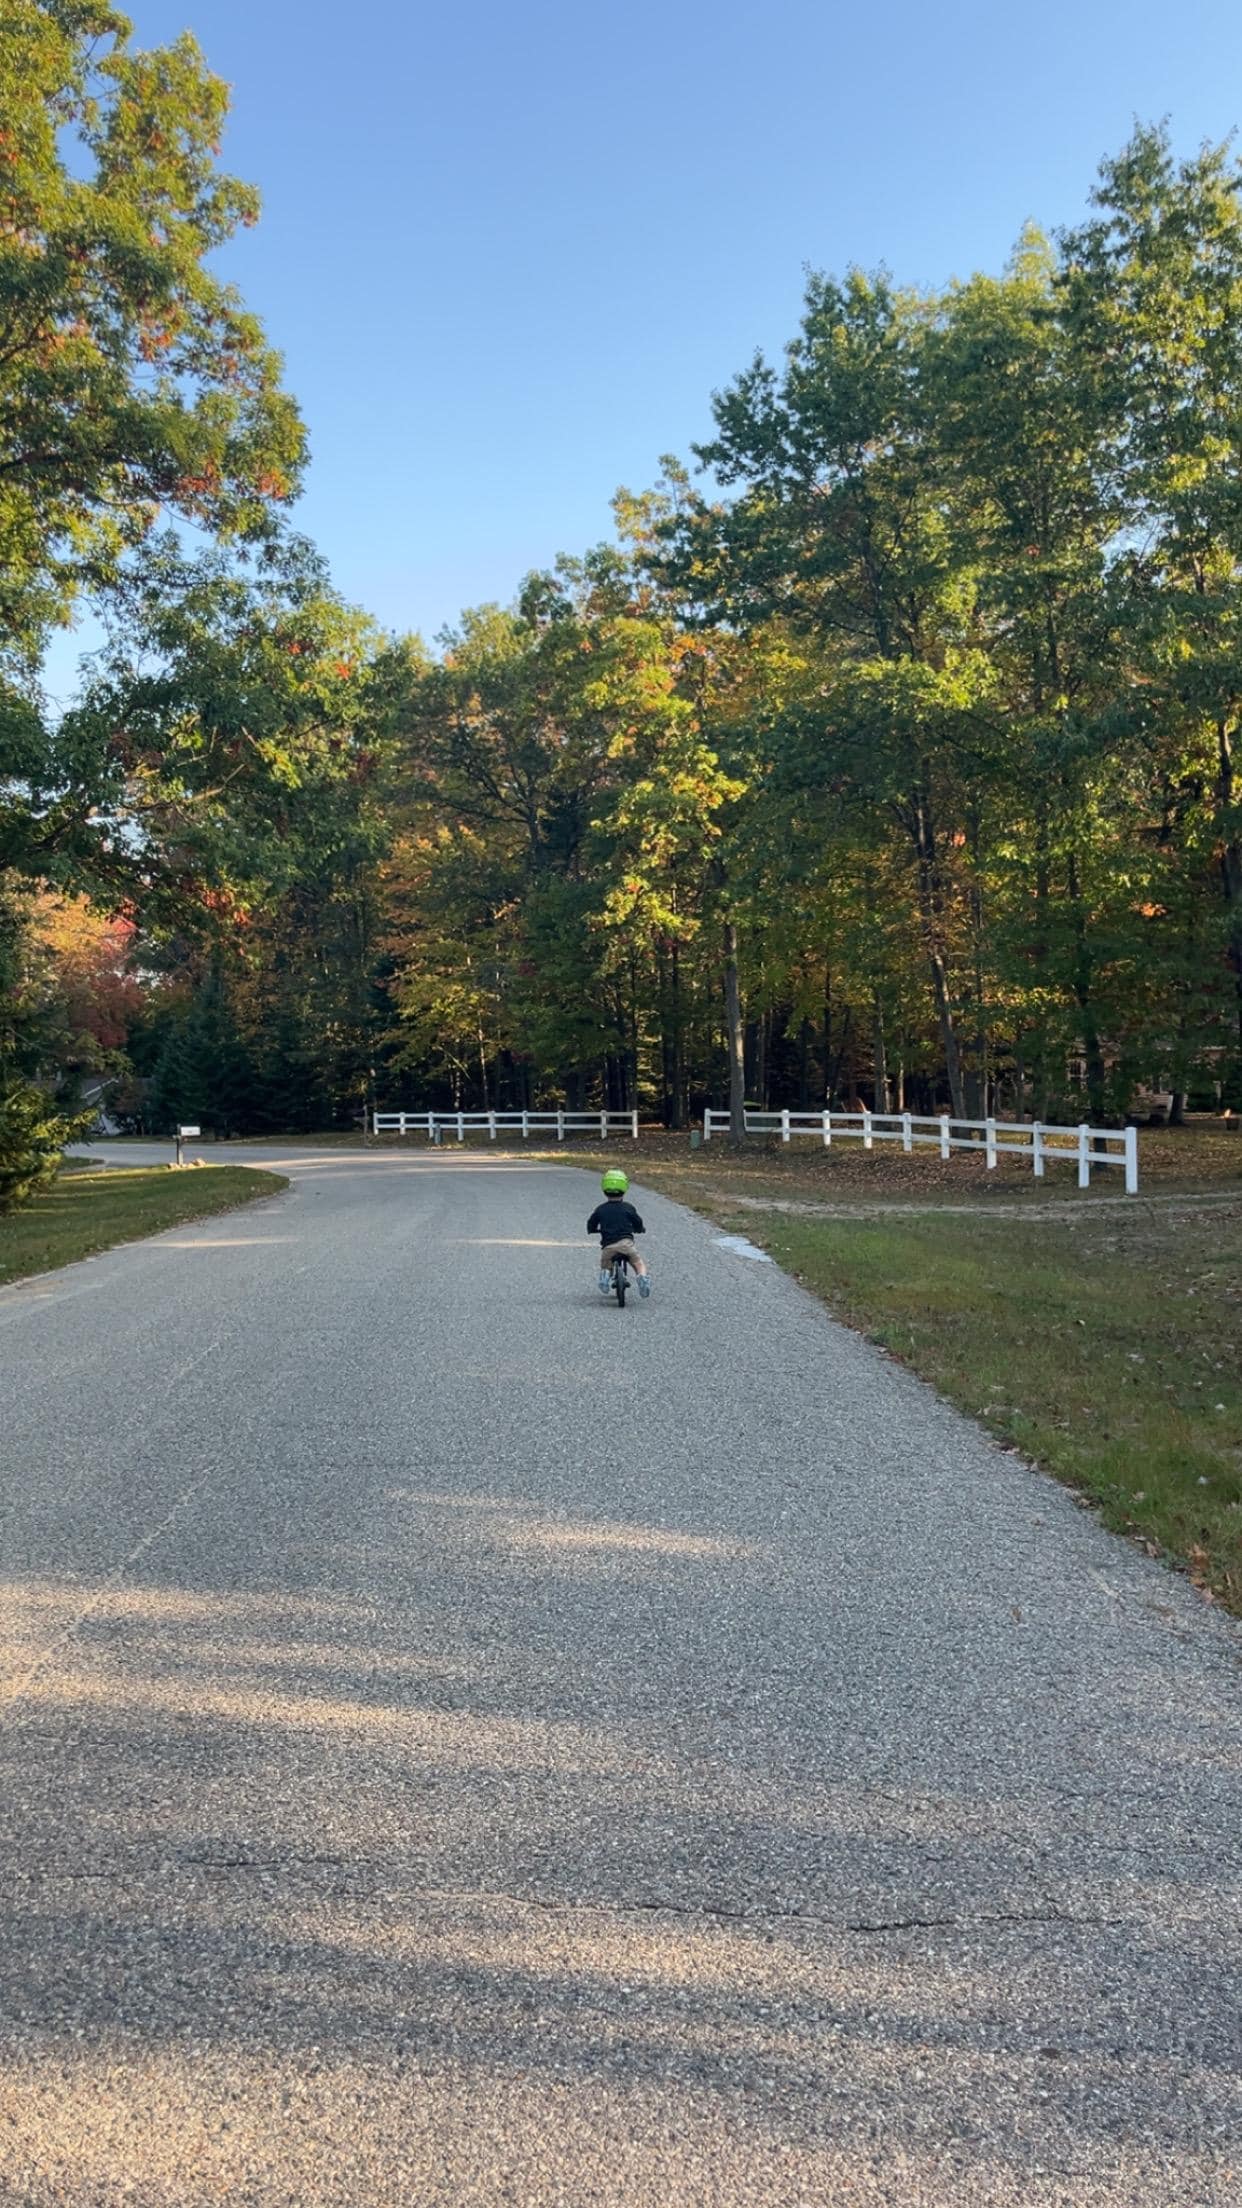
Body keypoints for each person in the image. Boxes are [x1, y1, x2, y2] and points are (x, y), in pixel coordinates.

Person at [587, 1169, 651, 1297]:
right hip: (626, 1245)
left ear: (604, 1189)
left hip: (608, 1247)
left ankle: (605, 1277)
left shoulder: (601, 1209)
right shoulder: (628, 1208)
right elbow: (637, 1221)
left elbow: (591, 1222)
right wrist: (639, 1228)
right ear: (625, 1188)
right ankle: (642, 1278)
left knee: (606, 1265)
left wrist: (592, 1229)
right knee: (638, 1262)